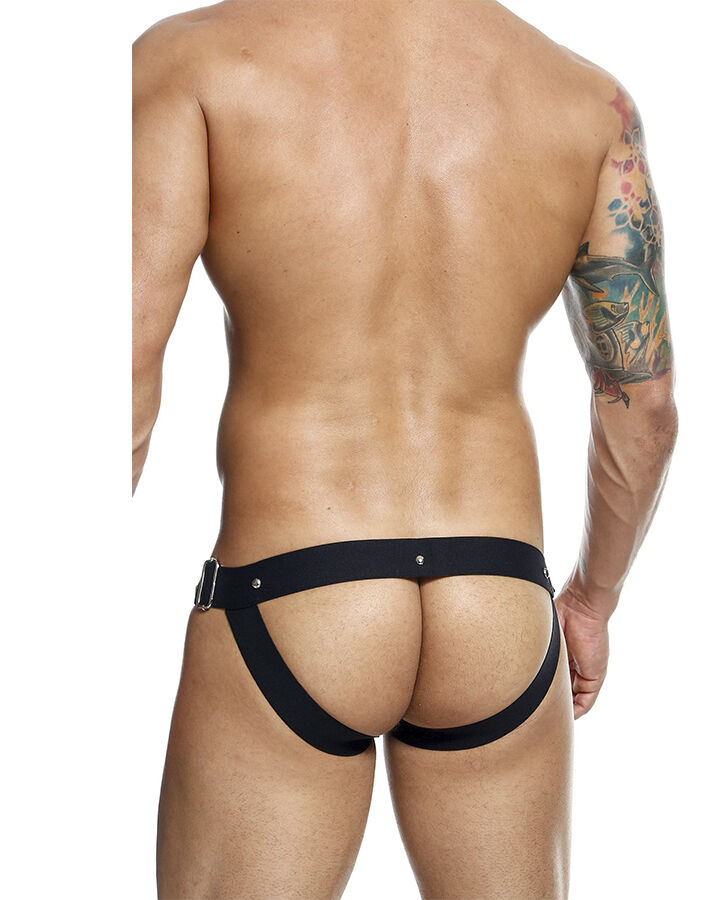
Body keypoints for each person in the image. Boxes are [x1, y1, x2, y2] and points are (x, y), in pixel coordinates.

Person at [132, 0, 678, 896]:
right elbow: (643, 405)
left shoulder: (193, 63)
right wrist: (591, 601)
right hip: (499, 598)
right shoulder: (587, 102)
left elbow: (117, 380)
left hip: (295, 587)